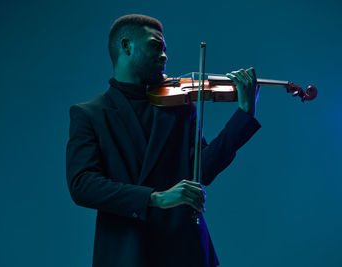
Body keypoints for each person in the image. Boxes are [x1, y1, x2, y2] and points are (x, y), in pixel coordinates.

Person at [66, 14, 261, 267]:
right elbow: (82, 185)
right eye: (156, 46)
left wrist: (243, 115)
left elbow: (201, 171)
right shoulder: (90, 114)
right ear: (126, 46)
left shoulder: (178, 106)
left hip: (185, 249)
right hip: (127, 251)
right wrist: (155, 198)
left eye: (165, 49)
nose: (165, 56)